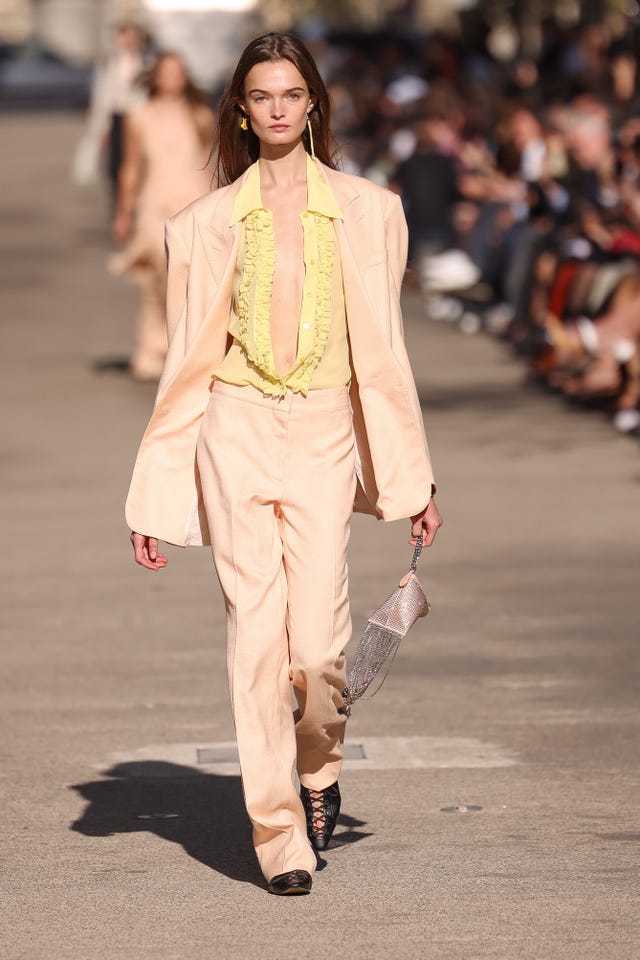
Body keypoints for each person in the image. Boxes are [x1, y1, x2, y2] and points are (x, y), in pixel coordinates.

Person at [126, 32, 442, 896]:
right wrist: (154, 496)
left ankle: (319, 770)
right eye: (261, 95)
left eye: (290, 94)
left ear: (312, 105)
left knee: (318, 645)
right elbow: (186, 361)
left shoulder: (371, 211)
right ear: (241, 107)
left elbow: (386, 355)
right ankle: (280, 838)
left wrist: (414, 479)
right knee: (255, 642)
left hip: (325, 430)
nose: (275, 107)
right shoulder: (202, 224)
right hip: (234, 427)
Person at [111, 52, 214, 381]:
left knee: (189, 278)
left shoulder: (199, 114)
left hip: (194, 199)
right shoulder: (138, 116)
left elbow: (210, 162)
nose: (171, 78)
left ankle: (184, 348)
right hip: (155, 203)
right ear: (154, 76)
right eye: (166, 72)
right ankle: (152, 347)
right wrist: (123, 211)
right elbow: (130, 166)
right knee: (157, 271)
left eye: (178, 72)